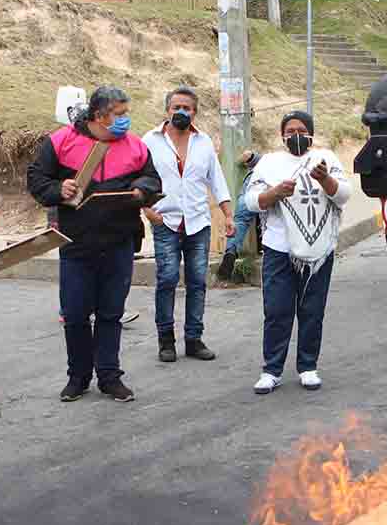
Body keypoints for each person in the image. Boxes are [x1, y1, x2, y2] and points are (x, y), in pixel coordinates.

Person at [27, 86, 161, 403]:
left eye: (126, 113)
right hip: (76, 244)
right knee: (74, 315)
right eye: (120, 114)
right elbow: (36, 179)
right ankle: (78, 377)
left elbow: (152, 179)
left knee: (111, 314)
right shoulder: (60, 142)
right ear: (99, 116)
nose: (125, 120)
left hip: (120, 242)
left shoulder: (136, 146)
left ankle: (110, 377)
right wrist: (60, 188)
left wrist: (142, 191)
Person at [245, 111, 351, 394]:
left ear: (311, 133)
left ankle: (308, 367)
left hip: (318, 252)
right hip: (279, 248)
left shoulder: (325, 157)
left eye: (301, 129)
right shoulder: (269, 163)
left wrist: (326, 179)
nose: (295, 135)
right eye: (290, 130)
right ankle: (271, 370)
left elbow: (343, 194)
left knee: (312, 310)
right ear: (282, 135)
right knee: (277, 310)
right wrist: (275, 193)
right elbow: (252, 200)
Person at [142, 86, 231, 363]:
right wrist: (146, 210)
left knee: (197, 282)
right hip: (165, 220)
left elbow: (216, 180)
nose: (181, 112)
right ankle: (165, 341)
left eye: (187, 108)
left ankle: (194, 339)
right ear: (167, 110)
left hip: (197, 223)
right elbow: (137, 177)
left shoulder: (203, 142)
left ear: (195, 112)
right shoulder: (150, 141)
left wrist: (228, 215)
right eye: (176, 107)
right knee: (167, 280)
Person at [217, 149, 262, 281]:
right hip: (271, 191)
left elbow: (247, 155)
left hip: (250, 192)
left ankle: (231, 251)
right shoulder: (278, 165)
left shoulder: (262, 159)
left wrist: (239, 160)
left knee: (241, 221)